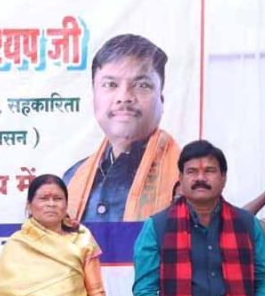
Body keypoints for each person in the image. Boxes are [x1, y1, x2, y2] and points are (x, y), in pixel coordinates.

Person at [132, 140, 265, 296]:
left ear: (223, 178)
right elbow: (145, 290)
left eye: (209, 171)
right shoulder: (157, 227)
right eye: (192, 171)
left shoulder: (247, 224)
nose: (200, 178)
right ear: (180, 178)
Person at [64, 34, 180, 223]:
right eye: (110, 84)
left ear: (161, 99)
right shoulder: (71, 179)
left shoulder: (185, 178)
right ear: (94, 97)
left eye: (142, 85)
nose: (124, 97)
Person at [0, 174, 106, 296]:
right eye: (43, 198)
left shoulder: (82, 240)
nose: (51, 204)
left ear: (66, 205)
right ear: (29, 206)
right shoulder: (16, 244)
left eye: (57, 198)